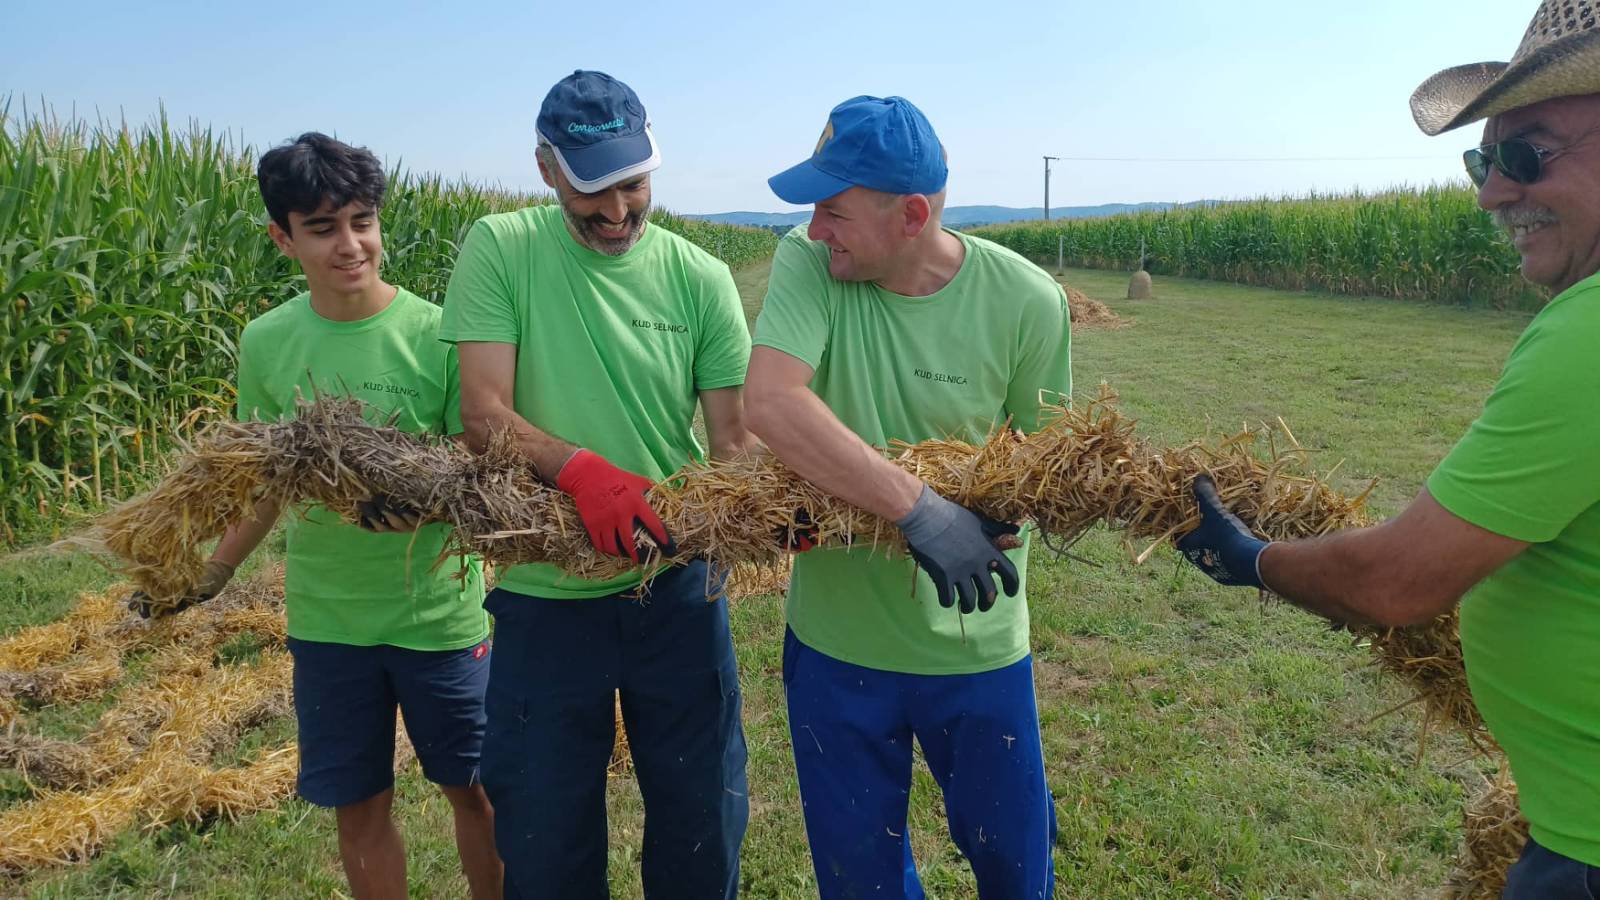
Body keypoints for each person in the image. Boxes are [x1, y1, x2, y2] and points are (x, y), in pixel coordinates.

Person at [1177, 4, 1600, 896]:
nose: (1491, 193)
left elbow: (1395, 584)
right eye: (1484, 161)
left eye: (1525, 155)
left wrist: (1253, 559)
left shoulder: (1588, 335)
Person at [128, 132, 501, 899]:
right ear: (282, 238)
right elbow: (263, 482)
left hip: (439, 616)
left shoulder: (439, 333)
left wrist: (425, 506)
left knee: (478, 789)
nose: (350, 244)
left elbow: (475, 474)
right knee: (358, 805)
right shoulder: (267, 342)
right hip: (330, 624)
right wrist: (214, 571)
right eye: (323, 227)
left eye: (362, 220)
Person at [744, 95, 1071, 899]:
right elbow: (773, 402)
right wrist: (920, 509)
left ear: (913, 214)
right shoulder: (809, 262)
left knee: (1014, 867)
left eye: (835, 210)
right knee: (862, 881)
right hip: (835, 647)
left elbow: (1046, 472)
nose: (816, 228)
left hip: (977, 646)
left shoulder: (1027, 303)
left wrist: (1002, 509)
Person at [438, 70, 756, 899]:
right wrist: (580, 471)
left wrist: (774, 507)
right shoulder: (502, 250)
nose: (616, 213)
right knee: (544, 839)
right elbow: (483, 413)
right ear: (546, 169)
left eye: (632, 185)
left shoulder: (700, 278)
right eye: (591, 192)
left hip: (676, 591)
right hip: (546, 598)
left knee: (700, 825)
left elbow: (732, 444)